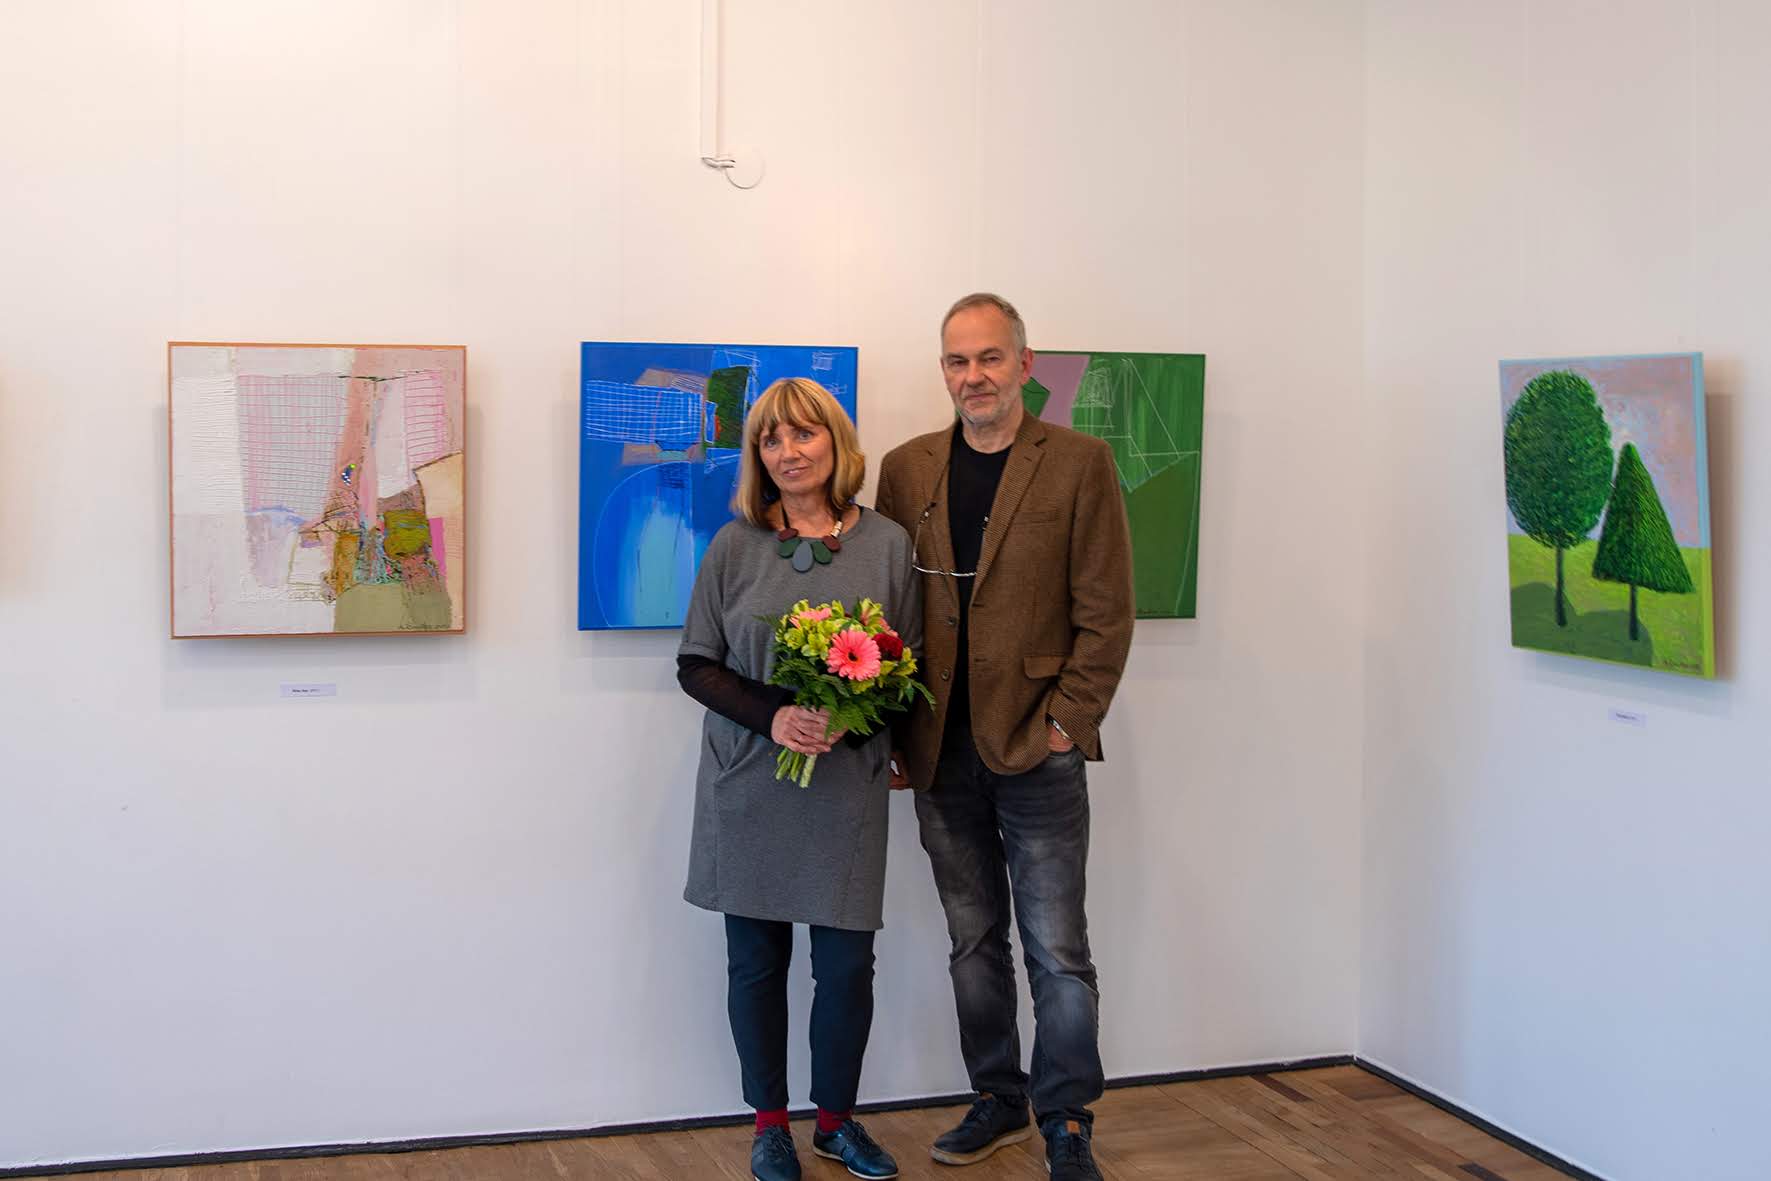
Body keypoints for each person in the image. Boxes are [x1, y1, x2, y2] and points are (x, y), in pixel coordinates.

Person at [874, 294, 1135, 1181]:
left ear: (1025, 364)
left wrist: (1067, 721)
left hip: (1036, 748)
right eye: (957, 361)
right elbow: (892, 609)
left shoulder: (1079, 463)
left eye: (989, 357)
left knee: (1058, 949)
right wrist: (892, 730)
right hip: (937, 751)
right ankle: (997, 1096)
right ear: (943, 371)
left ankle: (1066, 1119)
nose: (973, 376)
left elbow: (1107, 612)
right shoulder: (907, 469)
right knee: (971, 940)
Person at [677, 377, 921, 1181]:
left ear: (834, 441)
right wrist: (775, 717)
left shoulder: (887, 544)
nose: (788, 451)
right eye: (771, 438)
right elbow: (695, 664)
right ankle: (770, 1125)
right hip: (749, 782)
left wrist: (856, 718)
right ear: (758, 455)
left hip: (846, 787)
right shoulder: (733, 544)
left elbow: (910, 663)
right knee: (756, 964)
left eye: (803, 433)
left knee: (846, 969)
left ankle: (836, 1122)